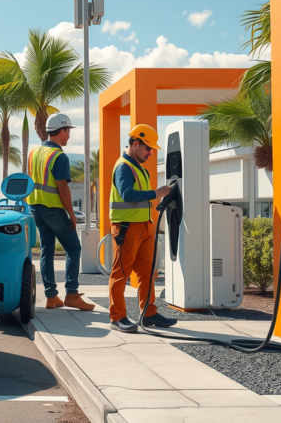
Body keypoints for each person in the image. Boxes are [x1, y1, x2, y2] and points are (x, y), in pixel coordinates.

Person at [108, 124, 178, 333]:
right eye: (148, 148)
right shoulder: (123, 167)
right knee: (120, 274)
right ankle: (117, 317)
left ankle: (148, 314)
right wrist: (154, 193)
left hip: (145, 228)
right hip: (127, 229)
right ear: (136, 144)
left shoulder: (139, 168)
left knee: (148, 273)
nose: (150, 153)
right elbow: (127, 194)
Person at [27, 113, 95, 311]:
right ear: (62, 131)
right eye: (68, 132)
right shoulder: (59, 156)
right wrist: (72, 214)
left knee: (46, 250)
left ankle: (51, 297)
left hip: (36, 208)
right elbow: (63, 188)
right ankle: (72, 294)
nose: (69, 137)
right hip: (53, 209)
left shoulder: (33, 153)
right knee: (73, 248)